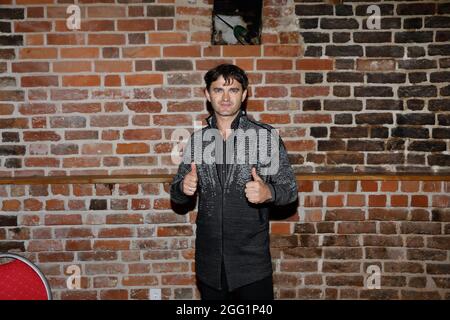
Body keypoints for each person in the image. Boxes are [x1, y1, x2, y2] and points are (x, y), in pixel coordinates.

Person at [170, 64, 298, 300]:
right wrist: (182, 187)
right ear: (208, 95)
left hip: (251, 266)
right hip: (209, 265)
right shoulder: (198, 141)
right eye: (218, 90)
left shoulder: (264, 137)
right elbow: (176, 196)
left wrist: (268, 192)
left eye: (234, 90)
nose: (226, 97)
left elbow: (289, 191)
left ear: (245, 94)